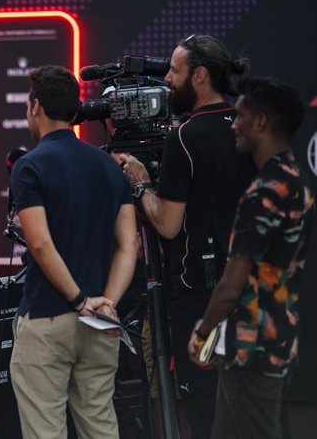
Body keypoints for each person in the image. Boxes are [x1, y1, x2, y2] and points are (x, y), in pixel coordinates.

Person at [119, 34, 256, 437]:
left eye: (175, 72)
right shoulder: (252, 127)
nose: (168, 82)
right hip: (255, 292)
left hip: (201, 298)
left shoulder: (185, 138)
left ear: (199, 76)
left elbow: (167, 225)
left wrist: (142, 183)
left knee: (206, 411)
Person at [9, 65, 139, 438]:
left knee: (45, 430)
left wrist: (79, 299)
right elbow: (129, 243)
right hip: (102, 321)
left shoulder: (29, 166)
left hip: (50, 318)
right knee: (100, 425)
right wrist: (105, 302)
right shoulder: (109, 165)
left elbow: (39, 242)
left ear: (35, 107)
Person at [187, 77, 314, 438]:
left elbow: (232, 283)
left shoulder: (264, 193)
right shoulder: (295, 180)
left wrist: (202, 334)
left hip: (252, 350)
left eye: (240, 116)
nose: (234, 125)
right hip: (275, 342)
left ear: (260, 122)